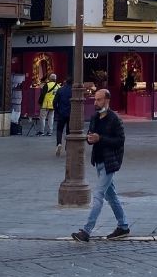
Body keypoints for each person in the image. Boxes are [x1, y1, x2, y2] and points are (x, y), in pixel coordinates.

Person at [70, 88, 130, 242]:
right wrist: (90, 139)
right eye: (95, 99)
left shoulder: (115, 119)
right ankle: (123, 226)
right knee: (111, 195)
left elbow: (120, 141)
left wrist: (100, 139)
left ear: (107, 100)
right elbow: (91, 136)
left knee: (98, 195)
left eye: (99, 99)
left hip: (110, 163)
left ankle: (86, 231)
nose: (95, 102)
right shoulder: (95, 117)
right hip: (99, 161)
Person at [53, 76, 73, 157]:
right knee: (69, 131)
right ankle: (67, 146)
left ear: (65, 82)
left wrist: (57, 110)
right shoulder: (73, 91)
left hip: (61, 112)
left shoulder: (60, 90)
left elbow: (54, 102)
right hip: (70, 113)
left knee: (59, 129)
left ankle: (59, 143)